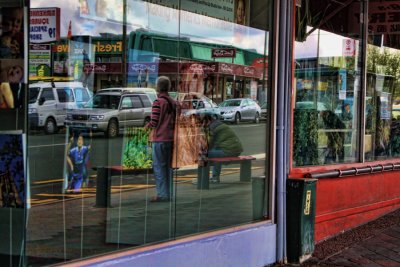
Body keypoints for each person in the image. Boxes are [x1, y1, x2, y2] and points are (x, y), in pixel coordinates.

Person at [145, 76, 176, 202]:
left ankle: (162, 194)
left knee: (158, 167)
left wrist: (147, 127)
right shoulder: (173, 102)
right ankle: (168, 193)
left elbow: (154, 122)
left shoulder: (158, 102)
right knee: (168, 168)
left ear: (158, 87)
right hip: (170, 138)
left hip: (160, 139)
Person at [202, 113, 243, 183]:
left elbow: (208, 144)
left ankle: (203, 180)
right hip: (236, 150)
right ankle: (215, 177)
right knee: (215, 155)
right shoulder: (219, 124)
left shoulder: (212, 128)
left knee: (202, 155)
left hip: (228, 151)